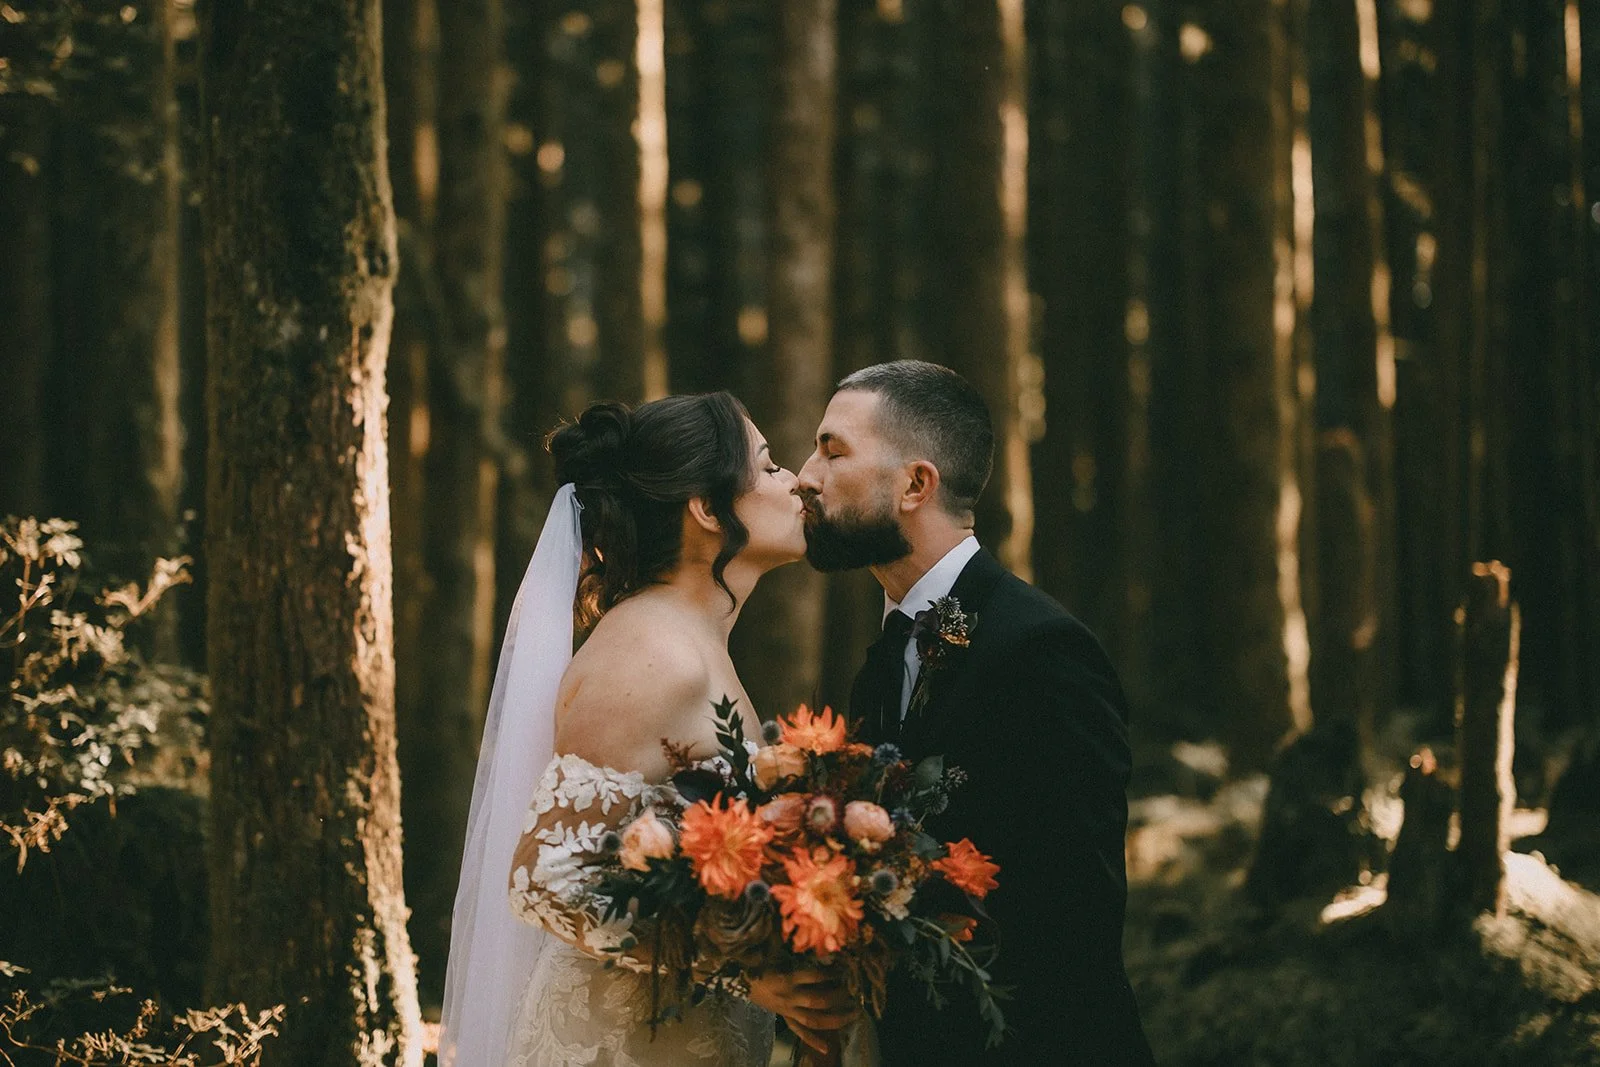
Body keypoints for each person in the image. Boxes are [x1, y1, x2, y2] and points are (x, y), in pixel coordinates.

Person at [438, 392, 858, 1067]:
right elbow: (545, 878)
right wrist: (741, 970)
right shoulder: (648, 650)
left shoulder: (693, 641)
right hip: (619, 1041)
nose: (795, 481)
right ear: (705, 507)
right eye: (769, 464)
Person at [796, 361, 1155, 1066]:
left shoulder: (1041, 651)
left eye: (833, 450)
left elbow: (1073, 926)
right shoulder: (879, 667)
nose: (805, 475)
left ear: (915, 484)